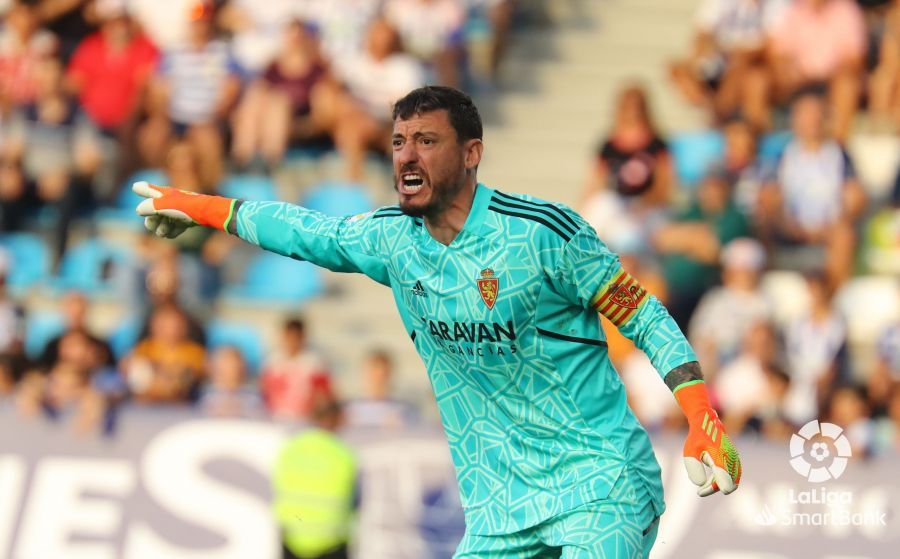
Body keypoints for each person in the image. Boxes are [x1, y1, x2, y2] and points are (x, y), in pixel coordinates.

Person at [134, 86, 742, 558]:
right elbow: (306, 231)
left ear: (471, 153)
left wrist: (701, 415)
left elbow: (645, 317)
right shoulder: (392, 240)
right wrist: (200, 207)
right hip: (499, 509)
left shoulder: (542, 234)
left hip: (600, 484)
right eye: (399, 141)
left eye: (426, 140)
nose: (406, 155)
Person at [272, 395, 357, 559]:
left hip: (293, 541)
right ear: (335, 419)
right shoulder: (343, 454)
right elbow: (356, 501)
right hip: (332, 544)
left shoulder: (291, 448)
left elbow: (278, 489)